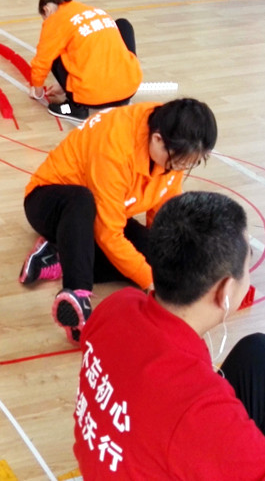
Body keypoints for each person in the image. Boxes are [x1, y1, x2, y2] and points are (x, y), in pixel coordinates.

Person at [73, 191, 265, 478]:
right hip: (182, 429)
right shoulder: (197, 405)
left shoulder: (117, 305)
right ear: (225, 291)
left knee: (255, 352)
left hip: (115, 459)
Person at [20, 99, 217, 342]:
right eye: (179, 162)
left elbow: (164, 211)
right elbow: (109, 234)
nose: (181, 168)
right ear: (157, 140)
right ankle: (77, 294)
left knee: (155, 257)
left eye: (192, 163)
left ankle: (59, 255)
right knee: (82, 202)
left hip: (103, 213)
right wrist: (150, 281)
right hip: (51, 202)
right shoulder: (115, 149)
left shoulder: (176, 139)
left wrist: (171, 260)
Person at [29, 0, 142, 122]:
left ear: (47, 10)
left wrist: (37, 92)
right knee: (122, 25)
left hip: (92, 97)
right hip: (128, 90)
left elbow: (42, 62)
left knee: (54, 52)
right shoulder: (94, 11)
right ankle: (121, 84)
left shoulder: (55, 21)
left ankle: (75, 108)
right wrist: (63, 86)